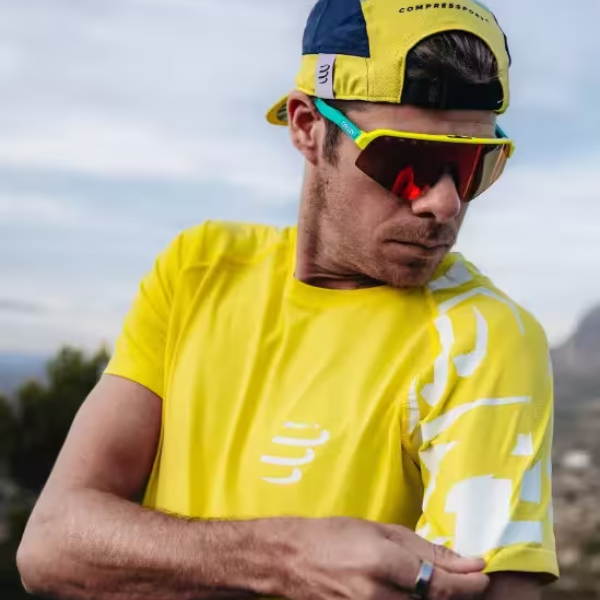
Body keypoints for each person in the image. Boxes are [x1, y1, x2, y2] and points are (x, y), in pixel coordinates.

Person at [17, 1, 558, 599]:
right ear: (307, 127)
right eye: (410, 162)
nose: (445, 203)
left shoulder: (482, 339)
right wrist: (282, 557)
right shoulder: (199, 269)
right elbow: (50, 543)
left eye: (474, 163)